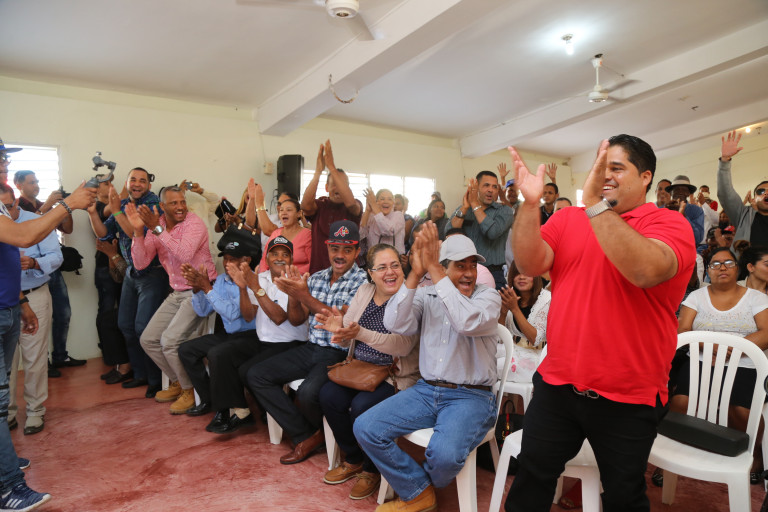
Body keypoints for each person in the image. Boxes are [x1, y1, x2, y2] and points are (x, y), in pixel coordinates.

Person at [505, 135, 696, 512]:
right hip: (558, 383)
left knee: (623, 496)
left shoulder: (667, 222)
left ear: (645, 177)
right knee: (532, 479)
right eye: (601, 167)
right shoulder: (568, 219)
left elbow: (645, 270)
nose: (604, 175)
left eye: (616, 168)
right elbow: (529, 263)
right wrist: (529, 205)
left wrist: (594, 206)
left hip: (628, 393)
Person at [354, 226, 501, 512]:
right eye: (460, 266)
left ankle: (416, 487)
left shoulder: (488, 297)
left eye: (472, 265)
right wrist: (414, 274)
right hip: (426, 390)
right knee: (366, 427)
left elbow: (466, 322)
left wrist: (434, 269)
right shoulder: (427, 294)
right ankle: (420, 492)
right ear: (445, 268)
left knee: (444, 456)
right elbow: (394, 323)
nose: (469, 273)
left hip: (472, 396)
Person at [0, 179, 95, 511]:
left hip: (18, 302)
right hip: (5, 308)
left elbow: (13, 261)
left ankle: (13, 446)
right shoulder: (15, 225)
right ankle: (8, 486)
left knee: (30, 362)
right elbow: (22, 240)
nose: (4, 167)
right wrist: (67, 204)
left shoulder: (18, 218)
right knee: (2, 393)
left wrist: (22, 298)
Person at [247, 220, 367, 464]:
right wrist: (294, 295)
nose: (340, 255)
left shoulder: (363, 281)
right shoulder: (317, 277)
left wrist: (303, 294)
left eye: (347, 250)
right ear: (327, 248)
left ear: (357, 252)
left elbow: (342, 321)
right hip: (311, 347)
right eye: (335, 248)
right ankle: (307, 434)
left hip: (340, 353)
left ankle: (315, 435)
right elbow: (297, 318)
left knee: (308, 392)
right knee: (256, 375)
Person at [316, 244, 420, 501]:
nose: (390, 272)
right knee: (328, 395)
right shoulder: (364, 291)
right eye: (381, 267)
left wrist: (360, 333)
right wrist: (339, 332)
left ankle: (372, 470)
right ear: (370, 274)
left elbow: (404, 346)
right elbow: (349, 336)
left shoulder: (411, 298)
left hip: (394, 375)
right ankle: (353, 459)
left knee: (362, 406)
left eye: (395, 265)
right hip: (360, 368)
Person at [179, 233, 308, 433]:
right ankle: (237, 411)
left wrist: (254, 287)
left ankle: (267, 413)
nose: (280, 258)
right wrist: (242, 288)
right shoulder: (259, 278)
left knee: (245, 369)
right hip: (262, 340)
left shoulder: (294, 279)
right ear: (266, 258)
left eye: (285, 254)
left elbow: (279, 317)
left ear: (292, 259)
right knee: (220, 355)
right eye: (274, 254)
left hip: (286, 343)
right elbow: (248, 315)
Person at [674, 247, 768, 483]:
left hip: (744, 363)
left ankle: (754, 454)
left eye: (728, 263)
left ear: (738, 269)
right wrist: (711, 347)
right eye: (715, 264)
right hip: (701, 360)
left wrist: (731, 350)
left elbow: (766, 332)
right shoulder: (696, 297)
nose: (722, 268)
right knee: (680, 402)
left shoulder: (756, 298)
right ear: (708, 271)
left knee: (740, 410)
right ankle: (674, 455)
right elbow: (683, 329)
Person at [126, 185, 216, 414]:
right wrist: (138, 232)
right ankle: (178, 381)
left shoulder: (193, 223)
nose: (180, 207)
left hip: (200, 290)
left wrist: (156, 229)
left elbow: (184, 253)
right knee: (148, 339)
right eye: (174, 203)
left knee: (169, 341)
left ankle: (190, 389)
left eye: (182, 201)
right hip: (177, 292)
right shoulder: (158, 226)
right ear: (162, 206)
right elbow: (140, 263)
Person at [88, 168, 169, 397]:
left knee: (144, 328)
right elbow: (103, 233)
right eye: (133, 179)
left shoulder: (152, 204)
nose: (137, 184)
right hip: (132, 273)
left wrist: (115, 210)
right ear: (127, 183)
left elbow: (136, 234)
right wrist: (93, 213)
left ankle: (156, 380)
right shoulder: (123, 204)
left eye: (142, 180)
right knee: (125, 325)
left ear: (148, 186)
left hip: (153, 274)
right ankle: (140, 374)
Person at [2, 184, 62, 436]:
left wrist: (35, 262)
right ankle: (7, 412)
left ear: (16, 202)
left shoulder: (36, 222)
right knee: (6, 362)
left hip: (34, 295)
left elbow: (56, 256)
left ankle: (36, 410)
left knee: (34, 357)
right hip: (5, 302)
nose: (4, 212)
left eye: (7, 206)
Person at [13, 170, 82, 372]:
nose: (36, 185)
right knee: (33, 324)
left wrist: (65, 208)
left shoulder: (47, 205)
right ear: (19, 185)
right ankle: (45, 362)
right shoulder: (15, 208)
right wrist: (46, 208)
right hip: (24, 279)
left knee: (63, 312)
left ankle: (60, 355)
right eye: (31, 182)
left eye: (37, 181)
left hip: (49, 266)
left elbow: (67, 229)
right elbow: (29, 230)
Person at [89, 175, 130, 384]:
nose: (111, 186)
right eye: (106, 184)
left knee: (121, 315)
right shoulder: (98, 207)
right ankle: (112, 358)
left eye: (111, 183)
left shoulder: (114, 208)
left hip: (120, 264)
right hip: (107, 267)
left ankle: (122, 362)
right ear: (96, 190)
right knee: (108, 314)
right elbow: (114, 206)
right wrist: (129, 184)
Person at [301, 140, 363, 274]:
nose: (338, 188)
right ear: (326, 187)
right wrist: (318, 172)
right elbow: (305, 206)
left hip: (348, 273)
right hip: (319, 272)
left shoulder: (355, 205)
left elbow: (351, 204)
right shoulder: (321, 205)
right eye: (334, 184)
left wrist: (332, 168)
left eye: (342, 184)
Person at [448, 170, 514, 289]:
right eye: (486, 185)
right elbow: (448, 233)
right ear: (476, 188)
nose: (491, 190)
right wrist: (465, 207)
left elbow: (493, 232)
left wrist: (475, 204)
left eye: (494, 187)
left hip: (493, 273)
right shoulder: (465, 208)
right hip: (463, 272)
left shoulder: (505, 211)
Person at [499, 262, 550, 384]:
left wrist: (514, 308)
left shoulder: (547, 300)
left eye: (527, 274)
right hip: (513, 352)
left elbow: (535, 339)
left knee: (499, 367)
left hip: (538, 357)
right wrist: (503, 312)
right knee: (488, 363)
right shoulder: (509, 297)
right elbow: (500, 338)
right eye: (517, 274)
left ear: (535, 276)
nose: (521, 277)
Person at [718, 130, 768, 246]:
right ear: (754, 199)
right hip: (746, 258)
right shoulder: (743, 215)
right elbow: (726, 194)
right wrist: (725, 161)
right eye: (761, 191)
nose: (766, 193)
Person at [257, 181, 311, 274]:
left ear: (299, 213)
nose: (284, 213)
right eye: (281, 210)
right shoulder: (276, 233)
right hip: (272, 279)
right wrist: (264, 276)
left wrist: (289, 275)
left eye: (289, 210)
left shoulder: (307, 235)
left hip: (297, 278)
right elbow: (264, 261)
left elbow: (312, 264)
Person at [360, 188, 405, 256]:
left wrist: (374, 205)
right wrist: (367, 210)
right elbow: (361, 235)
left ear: (393, 203)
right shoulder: (371, 217)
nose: (386, 202)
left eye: (390, 199)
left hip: (393, 258)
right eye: (382, 199)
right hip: (373, 258)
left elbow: (388, 231)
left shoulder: (398, 215)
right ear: (377, 202)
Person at [666, 175, 705, 244]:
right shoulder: (663, 209)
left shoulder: (697, 210)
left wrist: (683, 215)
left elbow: (698, 238)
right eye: (677, 189)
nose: (680, 192)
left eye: (684, 190)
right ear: (671, 193)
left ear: (688, 193)